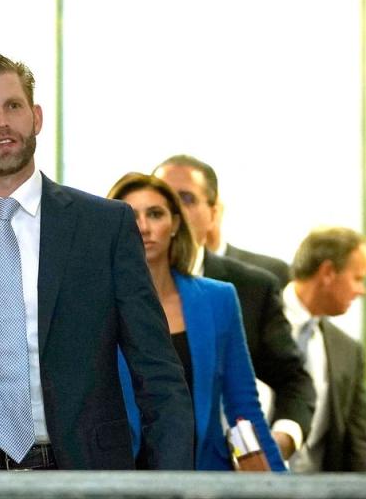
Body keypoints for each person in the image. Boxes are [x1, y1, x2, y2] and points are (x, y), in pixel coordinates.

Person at [0, 51, 194, 470]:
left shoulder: (104, 227)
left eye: (13, 106)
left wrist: (171, 487)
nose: (2, 122)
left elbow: (158, 375)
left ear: (37, 117)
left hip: (85, 477)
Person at [108, 172, 285, 471]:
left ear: (175, 224)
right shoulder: (95, 307)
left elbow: (244, 406)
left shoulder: (218, 300)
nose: (144, 226)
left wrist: (278, 484)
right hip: (122, 478)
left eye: (155, 214)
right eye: (130, 216)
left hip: (204, 475)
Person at [154, 155, 314, 460]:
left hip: (223, 468)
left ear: (213, 213)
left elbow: (292, 380)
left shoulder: (251, 288)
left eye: (186, 199)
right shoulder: (117, 286)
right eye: (162, 201)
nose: (174, 211)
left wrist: (279, 441)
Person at [284, 227, 366, 473]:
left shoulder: (348, 351)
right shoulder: (255, 321)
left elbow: (356, 446)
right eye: (357, 278)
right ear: (328, 272)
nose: (361, 290)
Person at [156, 156, 291, 288]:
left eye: (186, 199)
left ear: (213, 214)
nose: (172, 208)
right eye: (162, 197)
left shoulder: (257, 288)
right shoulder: (136, 278)